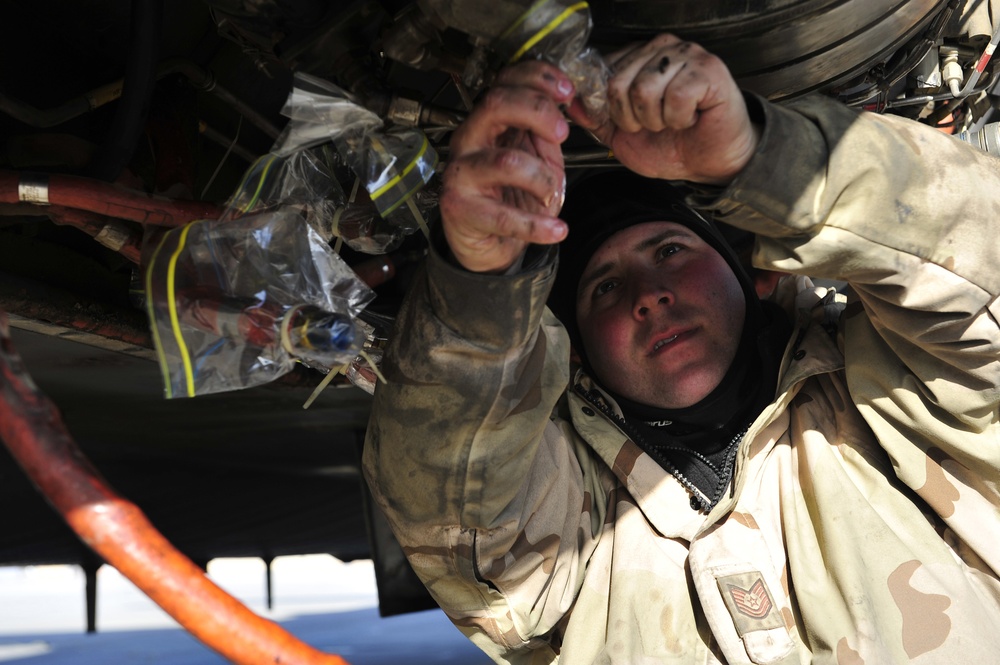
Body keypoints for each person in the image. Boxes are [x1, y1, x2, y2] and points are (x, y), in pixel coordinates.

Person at [362, 33, 1000, 664]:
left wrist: (762, 160)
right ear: (577, 352)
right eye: (603, 287)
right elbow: (447, 498)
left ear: (754, 276)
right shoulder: (571, 528)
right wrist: (480, 287)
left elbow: (979, 269)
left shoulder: (903, 400)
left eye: (670, 251)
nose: (647, 296)